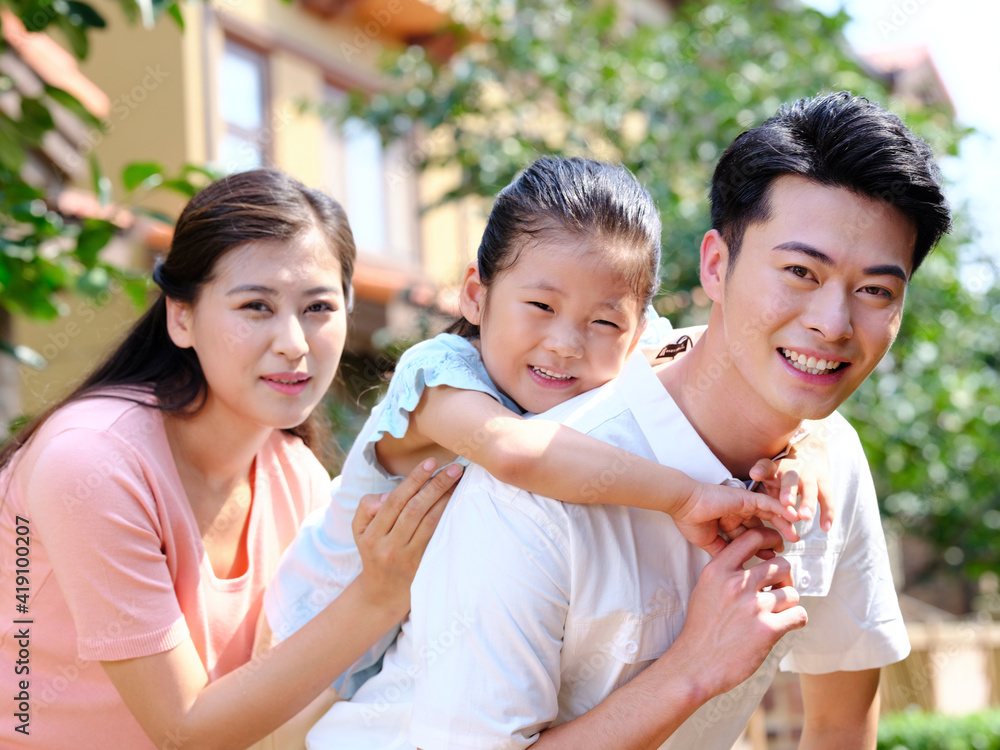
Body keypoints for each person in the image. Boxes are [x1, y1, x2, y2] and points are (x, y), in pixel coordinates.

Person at [304, 92, 952, 749]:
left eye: (875, 291)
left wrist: (809, 444)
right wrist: (692, 671)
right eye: (799, 272)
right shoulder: (528, 486)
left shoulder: (826, 458)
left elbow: (842, 724)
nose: (833, 323)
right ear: (715, 266)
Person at [264, 157, 829, 701]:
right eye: (539, 304)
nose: (565, 342)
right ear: (475, 295)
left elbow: (734, 367)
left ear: (635, 333)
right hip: (309, 639)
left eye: (604, 321)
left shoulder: (640, 347)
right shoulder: (438, 377)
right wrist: (684, 496)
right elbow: (516, 452)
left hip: (408, 656)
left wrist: (801, 451)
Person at [0, 168, 462, 749]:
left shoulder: (297, 478)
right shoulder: (91, 461)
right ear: (182, 316)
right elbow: (182, 731)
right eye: (255, 306)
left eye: (318, 307)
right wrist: (380, 594)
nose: (294, 341)